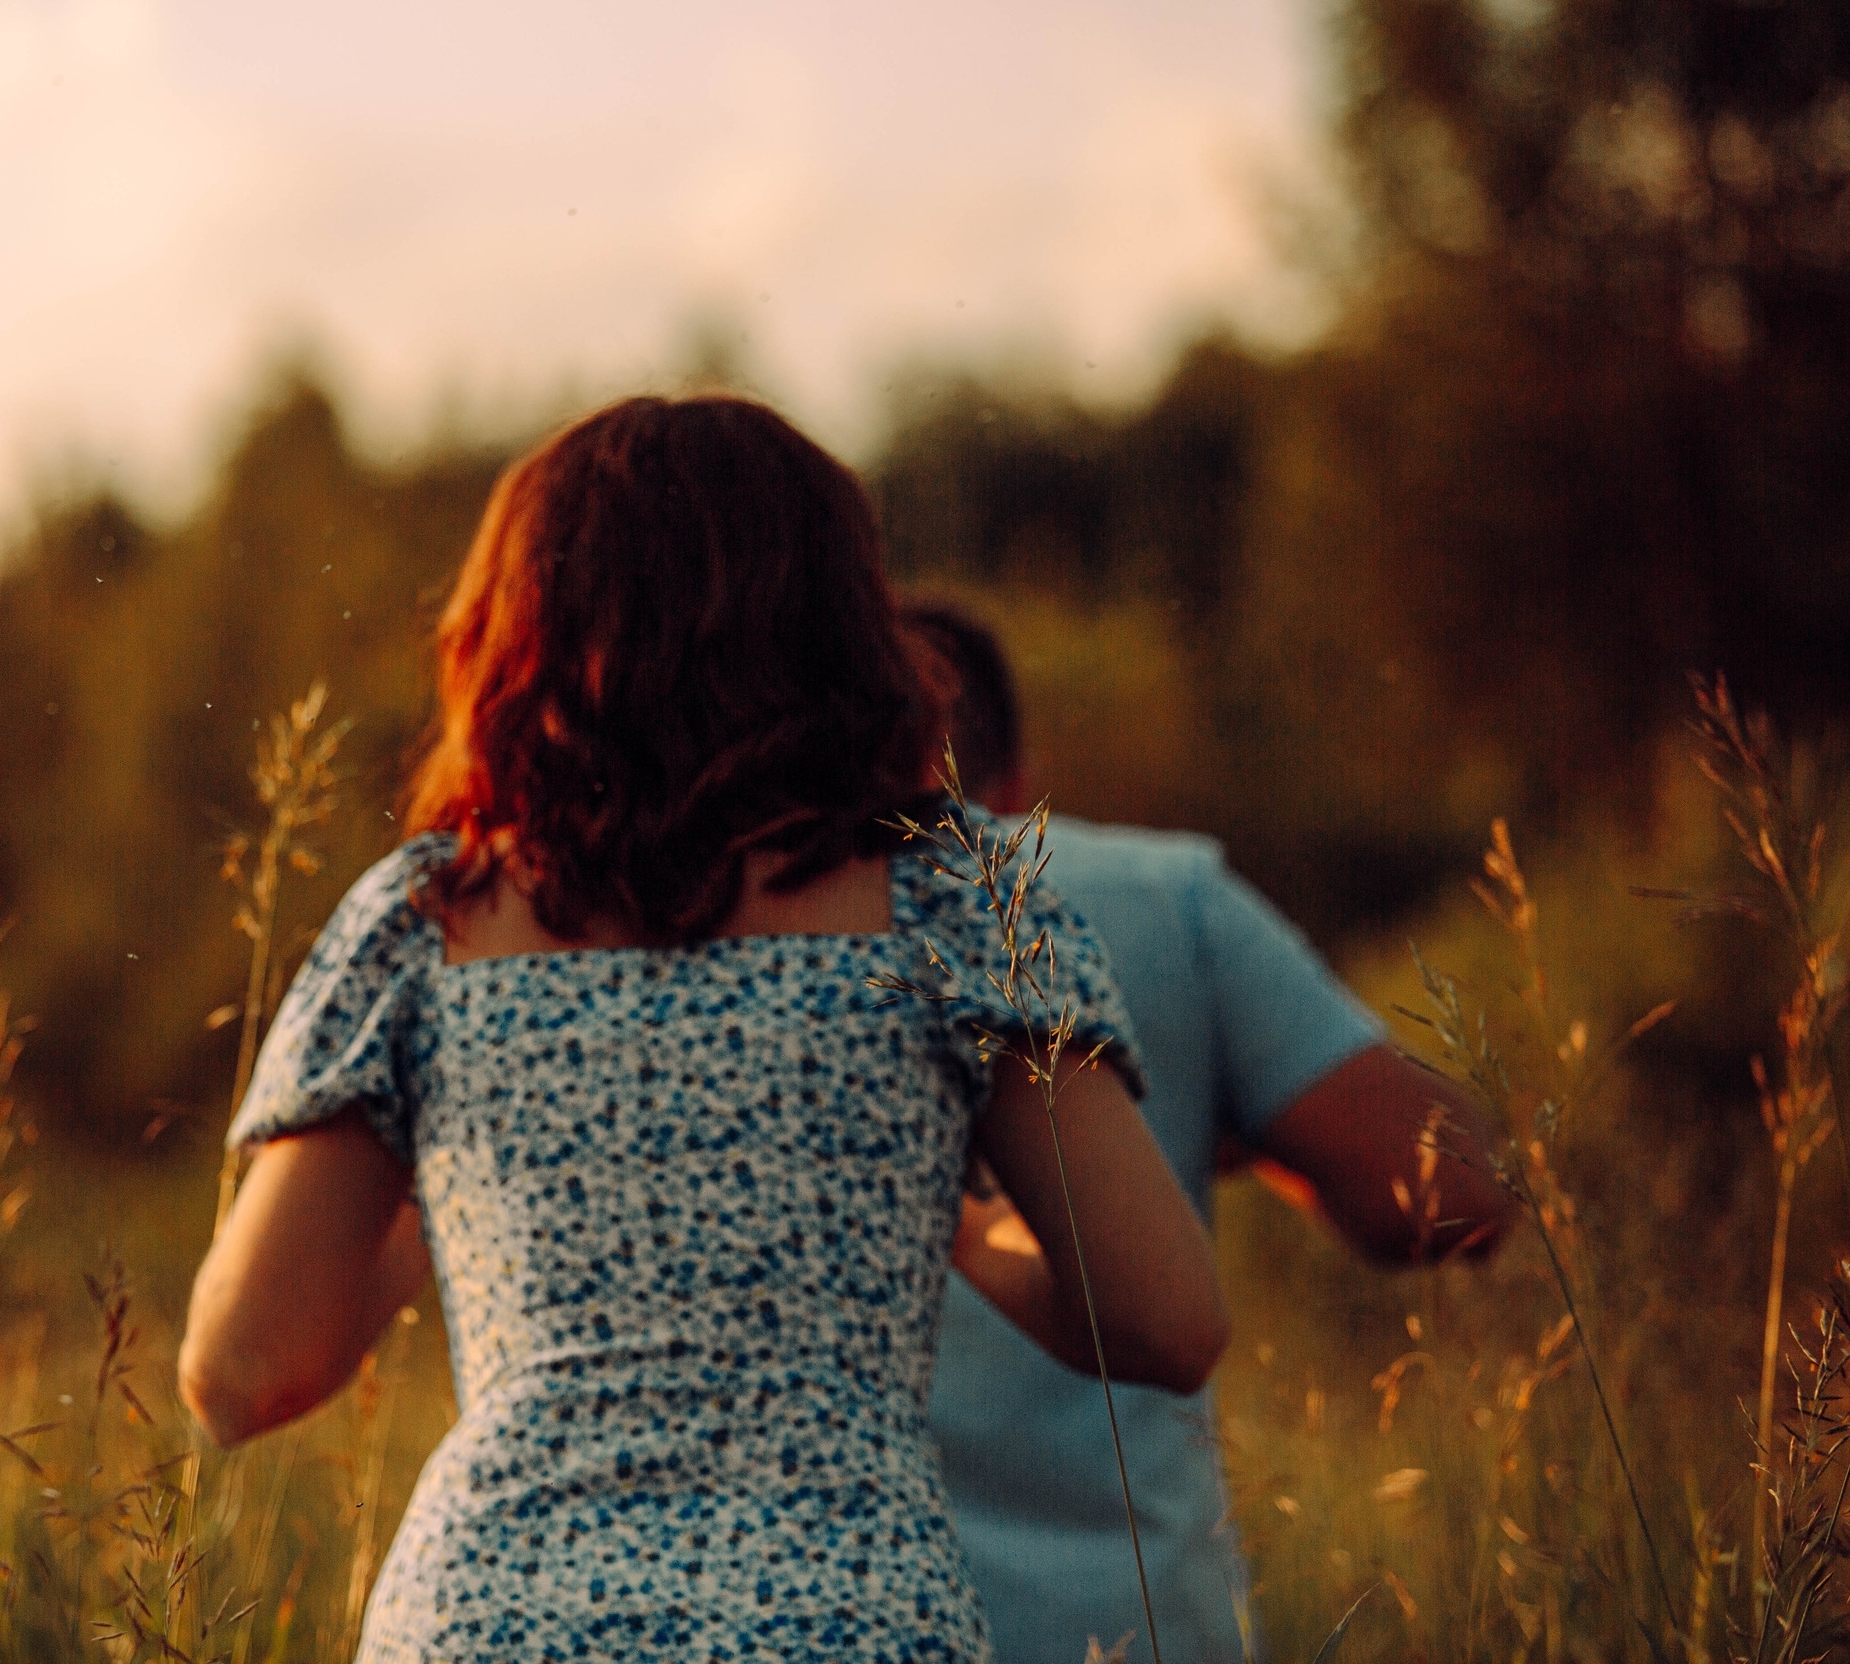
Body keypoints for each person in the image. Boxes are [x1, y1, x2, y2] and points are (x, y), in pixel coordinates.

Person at [178, 397, 1230, 1664]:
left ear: (514, 634)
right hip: (852, 1621)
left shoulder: (427, 920)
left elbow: (242, 1373)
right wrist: (937, 1231)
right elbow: (1168, 1323)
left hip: (500, 1622)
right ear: (843, 623)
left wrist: (456, 1201)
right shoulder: (953, 898)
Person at [898, 598, 1514, 1664]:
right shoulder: (1157, 897)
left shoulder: (695, 925)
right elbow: (1457, 1194)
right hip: (1135, 1626)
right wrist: (1201, 1129)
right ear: (1011, 785)